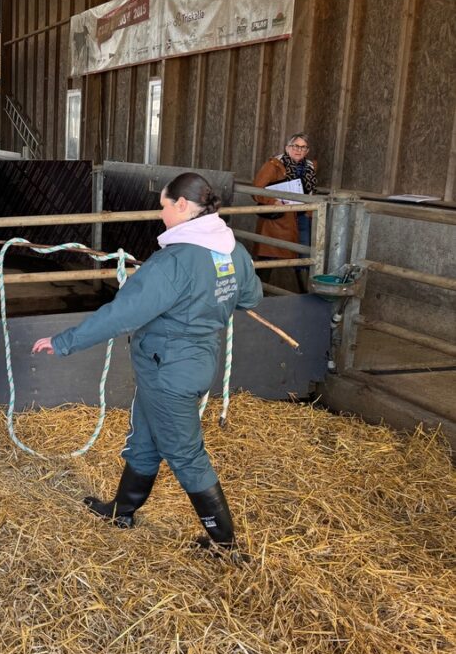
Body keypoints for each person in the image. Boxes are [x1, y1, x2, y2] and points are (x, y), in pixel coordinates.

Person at [31, 172, 262, 556]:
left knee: (186, 454)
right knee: (145, 440)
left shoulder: (173, 261)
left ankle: (224, 543)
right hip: (197, 361)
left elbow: (121, 315)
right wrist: (205, 305)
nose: (161, 214)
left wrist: (64, 342)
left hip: (168, 369)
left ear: (183, 206)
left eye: (164, 205)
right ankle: (122, 512)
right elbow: (250, 297)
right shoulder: (232, 250)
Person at [252, 133, 317, 292]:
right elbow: (256, 190)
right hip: (278, 220)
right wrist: (272, 201)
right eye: (295, 146)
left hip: (301, 218)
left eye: (303, 147)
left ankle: (305, 297)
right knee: (269, 256)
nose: (299, 150)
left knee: (303, 257)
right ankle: (257, 297)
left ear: (307, 151)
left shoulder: (310, 166)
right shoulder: (274, 164)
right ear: (287, 148)